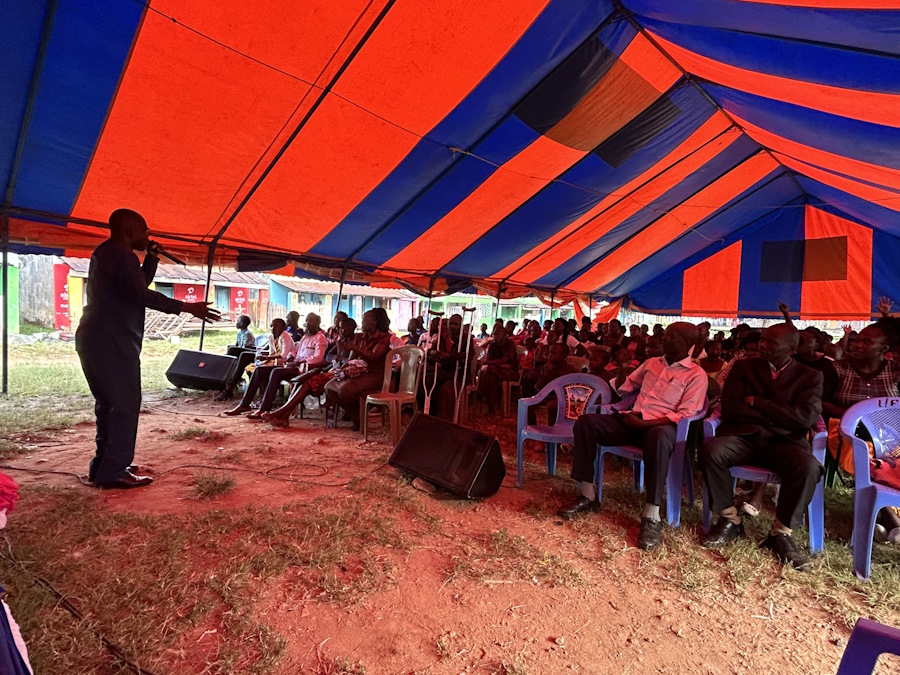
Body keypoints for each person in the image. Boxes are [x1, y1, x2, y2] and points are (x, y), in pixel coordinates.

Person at [76, 209, 220, 489]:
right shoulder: (121, 255)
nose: (148, 235)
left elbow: (135, 285)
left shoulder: (106, 252)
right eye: (145, 230)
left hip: (95, 338)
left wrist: (151, 259)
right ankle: (113, 470)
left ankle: (104, 465)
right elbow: (140, 294)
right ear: (130, 231)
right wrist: (187, 307)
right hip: (112, 341)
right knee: (124, 404)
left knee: (108, 404)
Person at [558, 323, 707, 551]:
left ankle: (652, 516)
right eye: (665, 334)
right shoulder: (652, 363)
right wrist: (622, 369)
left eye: (670, 336)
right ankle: (587, 496)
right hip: (633, 420)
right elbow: (624, 388)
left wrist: (644, 423)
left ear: (686, 343)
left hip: (661, 427)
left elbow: (684, 415)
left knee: (659, 437)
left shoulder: (696, 375)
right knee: (586, 423)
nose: (663, 338)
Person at [700, 324, 824, 571]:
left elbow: (804, 418)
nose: (762, 345)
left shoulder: (810, 376)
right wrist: (781, 416)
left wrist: (758, 403)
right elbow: (732, 408)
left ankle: (780, 533)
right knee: (712, 451)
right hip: (744, 436)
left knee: (808, 467)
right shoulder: (744, 367)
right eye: (763, 340)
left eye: (770, 343)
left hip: (784, 442)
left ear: (792, 348)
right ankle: (730, 519)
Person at [823, 318, 900, 540]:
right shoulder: (837, 368)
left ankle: (878, 517)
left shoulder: (896, 371)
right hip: (848, 431)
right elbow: (822, 402)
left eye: (866, 342)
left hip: (891, 434)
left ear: (884, 349)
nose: (857, 344)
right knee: (863, 454)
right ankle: (889, 519)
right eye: (857, 340)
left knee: (890, 458)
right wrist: (858, 414)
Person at [224, 313, 327, 417]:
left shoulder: (320, 338)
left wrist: (298, 362)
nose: (308, 323)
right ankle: (244, 405)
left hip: (304, 369)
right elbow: (294, 351)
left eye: (311, 321)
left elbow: (318, 358)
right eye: (307, 320)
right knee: (259, 370)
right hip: (293, 365)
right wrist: (291, 356)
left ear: (317, 323)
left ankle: (264, 409)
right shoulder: (305, 337)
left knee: (276, 372)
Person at [263, 318, 357, 426]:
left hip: (341, 373)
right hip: (330, 371)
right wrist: (337, 358)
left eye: (342, 328)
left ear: (351, 328)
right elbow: (328, 356)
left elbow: (348, 361)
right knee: (302, 381)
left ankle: (281, 414)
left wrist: (339, 359)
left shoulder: (354, 341)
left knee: (306, 381)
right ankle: (283, 416)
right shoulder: (340, 341)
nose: (339, 330)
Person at [324, 308, 392, 430]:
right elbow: (351, 358)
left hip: (375, 374)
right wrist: (340, 371)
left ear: (374, 322)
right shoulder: (361, 337)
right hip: (359, 372)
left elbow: (374, 356)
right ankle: (356, 415)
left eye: (364, 319)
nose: (362, 322)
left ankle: (359, 415)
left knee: (344, 391)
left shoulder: (383, 338)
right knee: (329, 387)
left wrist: (356, 348)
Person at [222, 318, 296, 415]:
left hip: (283, 363)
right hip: (274, 362)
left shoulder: (285, 337)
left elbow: (284, 355)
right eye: (272, 326)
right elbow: (271, 353)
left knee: (265, 370)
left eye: (276, 326)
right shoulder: (271, 337)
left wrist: (266, 358)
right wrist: (264, 359)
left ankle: (262, 408)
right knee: (257, 369)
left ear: (283, 327)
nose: (273, 328)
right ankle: (244, 404)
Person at [213, 315, 258, 401]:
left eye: (238, 321)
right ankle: (222, 383)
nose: (236, 323)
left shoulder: (248, 334)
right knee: (228, 351)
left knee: (232, 350)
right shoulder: (239, 333)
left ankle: (228, 388)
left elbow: (246, 347)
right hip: (240, 352)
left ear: (242, 324)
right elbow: (237, 345)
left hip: (246, 352)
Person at [477, 325, 519, 414]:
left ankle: (479, 392)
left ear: (504, 335)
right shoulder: (492, 345)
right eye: (494, 334)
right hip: (495, 371)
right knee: (491, 378)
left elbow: (505, 360)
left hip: (510, 373)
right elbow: (491, 361)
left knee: (490, 370)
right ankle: (492, 409)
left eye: (497, 334)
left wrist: (489, 363)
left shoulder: (510, 344)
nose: (495, 336)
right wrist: (500, 365)